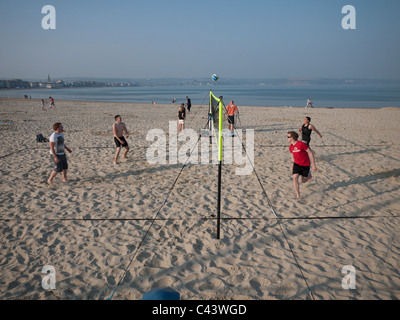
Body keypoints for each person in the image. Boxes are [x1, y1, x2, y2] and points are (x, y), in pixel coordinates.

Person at [287, 131, 317, 200]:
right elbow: (292, 157)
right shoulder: (291, 147)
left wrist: (314, 165)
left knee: (303, 181)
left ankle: (309, 174)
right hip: (297, 165)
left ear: (292, 138)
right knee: (295, 178)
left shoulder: (301, 144)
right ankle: (298, 196)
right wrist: (292, 167)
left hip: (305, 164)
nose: (287, 138)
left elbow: (310, 153)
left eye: (288, 137)